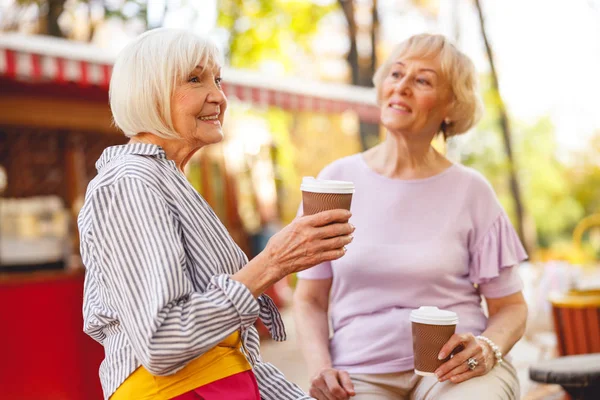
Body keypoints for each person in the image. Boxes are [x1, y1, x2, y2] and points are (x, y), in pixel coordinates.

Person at [78, 28, 354, 400]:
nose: (219, 96)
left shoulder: (167, 180)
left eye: (218, 79)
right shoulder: (130, 180)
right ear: (150, 91)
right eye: (195, 79)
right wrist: (272, 263)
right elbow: (163, 341)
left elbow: (232, 359)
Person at [293, 33, 528, 400]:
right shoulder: (334, 183)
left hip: (455, 370)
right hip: (358, 373)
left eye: (422, 80)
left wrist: (487, 348)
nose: (401, 86)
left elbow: (511, 307)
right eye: (396, 74)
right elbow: (309, 299)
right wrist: (321, 368)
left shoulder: (472, 191)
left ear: (451, 105)